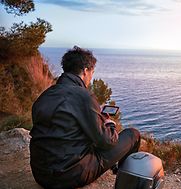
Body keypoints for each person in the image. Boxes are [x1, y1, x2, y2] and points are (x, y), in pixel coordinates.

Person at [30, 46, 141, 189]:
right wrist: (109, 124)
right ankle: (124, 178)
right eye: (92, 72)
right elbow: (108, 142)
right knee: (133, 134)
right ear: (85, 70)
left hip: (40, 174)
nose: (91, 77)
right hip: (70, 175)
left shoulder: (45, 96)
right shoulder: (83, 96)